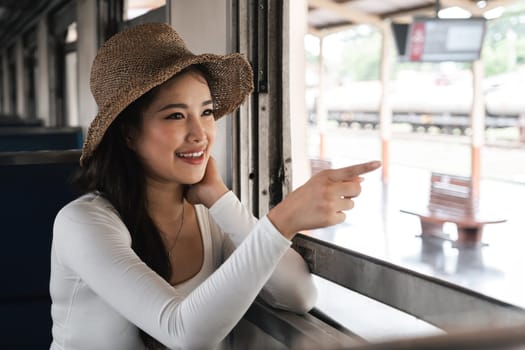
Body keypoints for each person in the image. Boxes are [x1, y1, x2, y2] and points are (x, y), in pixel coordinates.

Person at [49, 23, 380, 350]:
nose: (200, 133)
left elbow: (298, 295)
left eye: (206, 112)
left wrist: (220, 198)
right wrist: (284, 219)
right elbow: (183, 332)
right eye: (176, 116)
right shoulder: (82, 223)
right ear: (129, 133)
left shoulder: (208, 215)